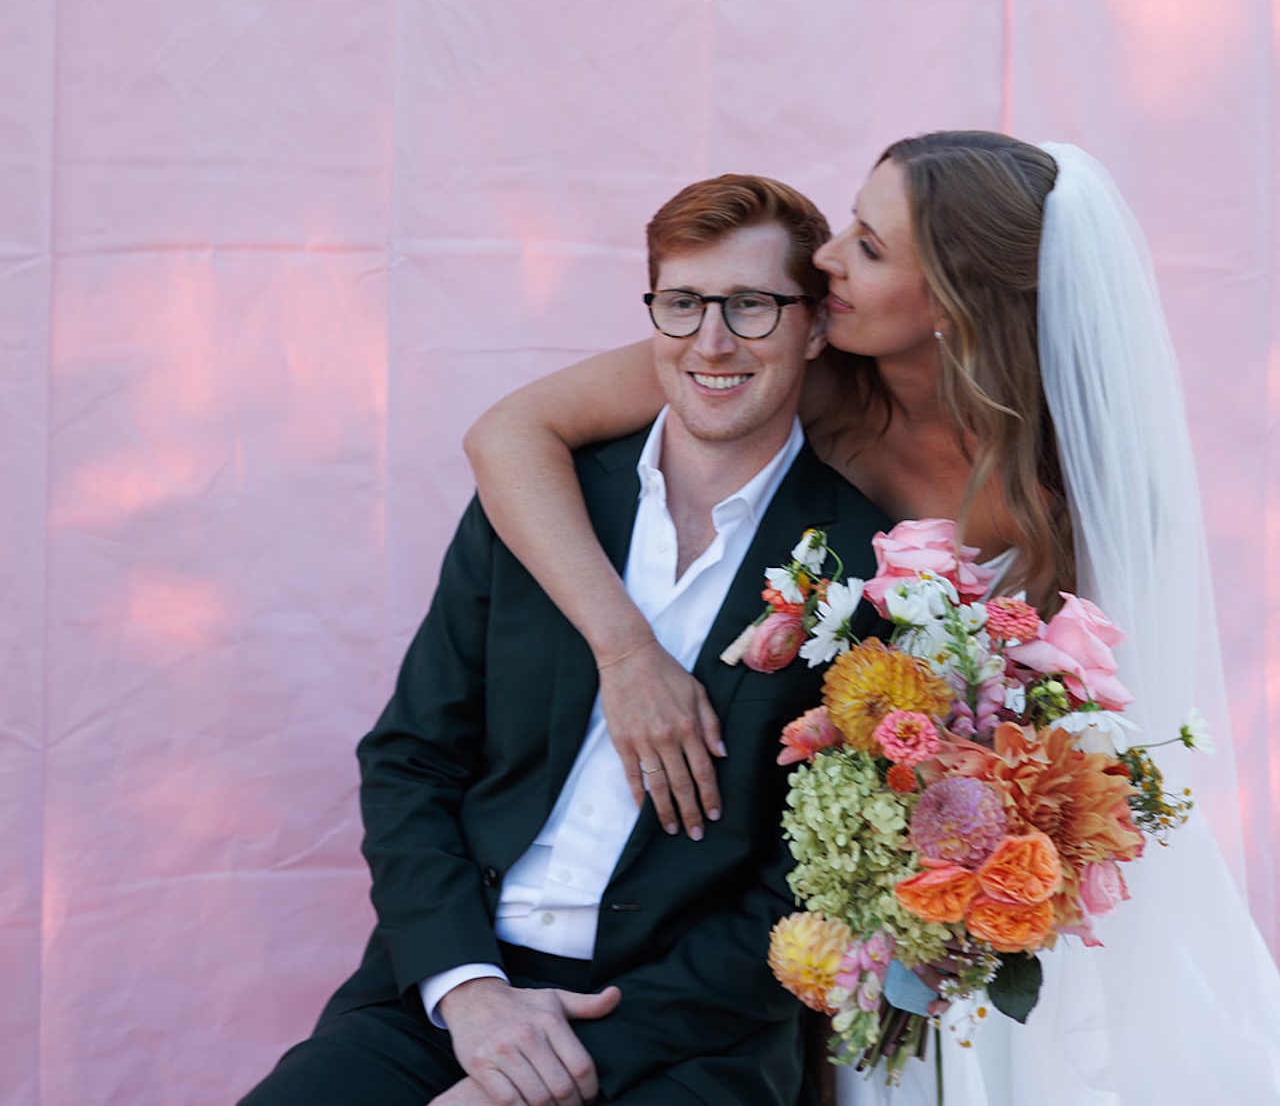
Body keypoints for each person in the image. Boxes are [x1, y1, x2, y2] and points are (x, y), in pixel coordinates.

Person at [465, 132, 1280, 1104]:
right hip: (783, 850)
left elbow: (1089, 710)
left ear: (951, 300)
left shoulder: (1071, 483)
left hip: (971, 866)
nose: (823, 259)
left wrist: (967, 863)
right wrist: (624, 649)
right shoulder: (791, 375)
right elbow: (506, 432)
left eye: (867, 246)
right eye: (849, 224)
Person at [236, 174, 889, 1106]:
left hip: (682, 1038)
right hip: (453, 986)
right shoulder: (545, 502)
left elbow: (803, 893)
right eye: (682, 303)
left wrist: (548, 1068)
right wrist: (468, 994)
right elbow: (410, 760)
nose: (711, 340)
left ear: (815, 327)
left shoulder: (865, 569)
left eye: (751, 306)